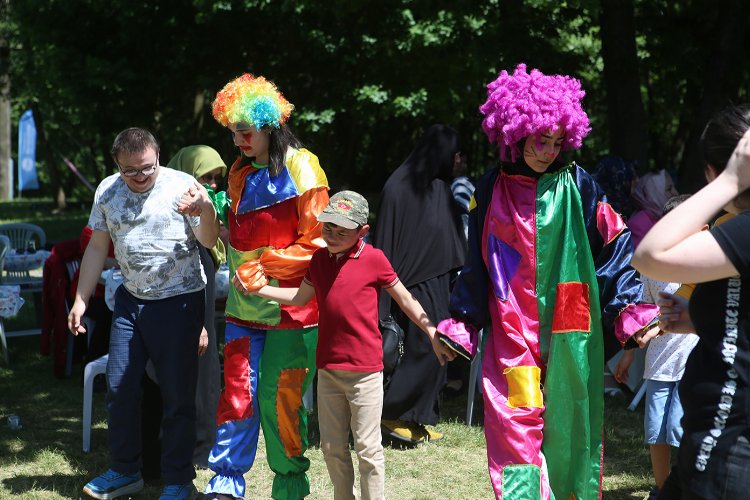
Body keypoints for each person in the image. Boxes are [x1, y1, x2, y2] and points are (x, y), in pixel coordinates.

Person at [436, 63, 659, 499]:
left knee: (569, 422)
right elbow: (477, 262)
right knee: (516, 421)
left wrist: (629, 308)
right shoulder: (492, 188)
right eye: (542, 141)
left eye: (559, 142)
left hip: (568, 328)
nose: (549, 151)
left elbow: (614, 242)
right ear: (516, 133)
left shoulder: (580, 185)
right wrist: (463, 320)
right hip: (512, 328)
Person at [241, 190, 456, 500]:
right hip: (328, 371)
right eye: (329, 227)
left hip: (366, 374)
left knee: (368, 448)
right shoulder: (318, 259)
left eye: (343, 229)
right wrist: (260, 290)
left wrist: (431, 330)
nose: (334, 234)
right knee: (331, 448)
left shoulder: (374, 259)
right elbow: (300, 298)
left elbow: (406, 299)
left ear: (362, 231)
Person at [68, 127, 219, 500]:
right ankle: (124, 470)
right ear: (117, 165)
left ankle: (178, 480)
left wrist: (205, 210)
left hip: (180, 302)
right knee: (119, 388)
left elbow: (211, 240)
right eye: (130, 171)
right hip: (130, 302)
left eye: (147, 169)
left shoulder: (184, 186)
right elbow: (96, 248)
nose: (140, 177)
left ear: (158, 157)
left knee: (178, 395)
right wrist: (81, 299)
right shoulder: (107, 191)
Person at [204, 73, 329, 500]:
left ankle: (289, 488)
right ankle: (224, 485)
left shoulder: (303, 166)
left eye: (245, 130)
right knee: (237, 396)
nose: (238, 139)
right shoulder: (239, 171)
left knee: (284, 405)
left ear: (269, 125)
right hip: (242, 312)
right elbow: (237, 239)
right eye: (233, 130)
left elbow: (318, 242)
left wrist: (267, 267)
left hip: (291, 312)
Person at [632, 103, 750, 499]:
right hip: (716, 440)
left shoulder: (744, 230)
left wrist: (727, 182)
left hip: (729, 445)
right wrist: (700, 319)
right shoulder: (735, 230)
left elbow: (649, 254)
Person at [374, 123, 466, 444]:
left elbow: (446, 238)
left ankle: (418, 418)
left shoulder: (437, 187)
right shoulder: (401, 186)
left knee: (438, 350)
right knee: (421, 350)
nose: (459, 162)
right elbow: (387, 239)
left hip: (436, 281)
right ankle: (390, 415)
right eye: (456, 155)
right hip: (407, 284)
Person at [614, 194, 699, 500]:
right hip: (658, 365)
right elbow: (643, 315)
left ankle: (687, 488)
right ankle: (662, 489)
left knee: (681, 430)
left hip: (690, 364)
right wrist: (627, 355)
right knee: (656, 433)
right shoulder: (652, 270)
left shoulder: (703, 268)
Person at [166, 145, 227, 468]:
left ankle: (203, 443)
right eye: (206, 177)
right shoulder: (168, 205)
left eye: (218, 178)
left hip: (200, 284)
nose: (214, 184)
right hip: (182, 291)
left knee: (205, 366)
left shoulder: (206, 209)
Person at [627, 169, 679, 247]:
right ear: (653, 195)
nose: (676, 193)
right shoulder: (638, 224)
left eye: (673, 187)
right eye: (669, 189)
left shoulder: (667, 215)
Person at [451, 151, 475, 241]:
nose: (463, 165)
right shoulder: (470, 185)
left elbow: (463, 222)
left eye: (464, 162)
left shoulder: (459, 185)